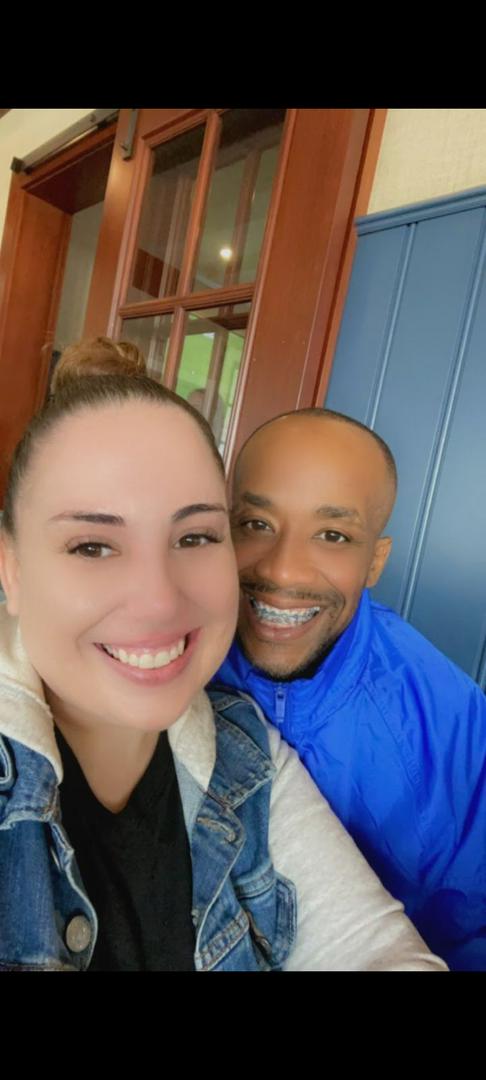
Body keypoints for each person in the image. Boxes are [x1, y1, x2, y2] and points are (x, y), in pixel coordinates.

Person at [0, 356, 446, 972]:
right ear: (11, 569)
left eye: (194, 537)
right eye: (93, 546)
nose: (159, 600)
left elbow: (377, 950)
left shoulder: (249, 752)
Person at [215, 408, 486, 972]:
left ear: (374, 561)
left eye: (333, 535)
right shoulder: (167, 653)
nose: (283, 571)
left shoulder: (448, 723)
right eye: (257, 524)